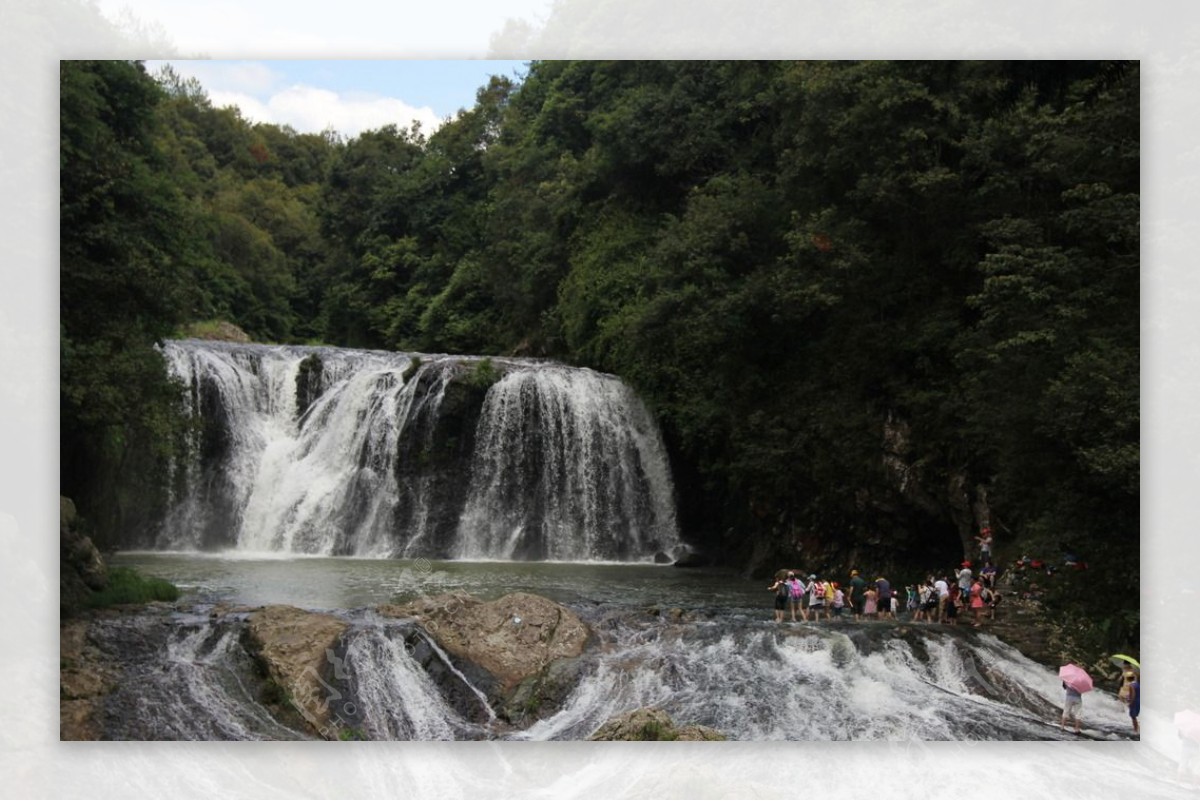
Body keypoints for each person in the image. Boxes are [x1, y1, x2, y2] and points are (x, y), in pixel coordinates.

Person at [1120, 670, 1140, 735]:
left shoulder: (1132, 685)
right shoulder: (1138, 684)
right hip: (1139, 701)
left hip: (1135, 702)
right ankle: (1137, 727)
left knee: (1133, 717)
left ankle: (1136, 730)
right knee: (1135, 716)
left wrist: (1130, 703)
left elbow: (1133, 695)